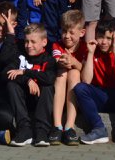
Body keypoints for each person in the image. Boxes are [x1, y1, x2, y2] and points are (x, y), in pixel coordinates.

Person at [74, 16, 115, 146]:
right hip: (99, 96)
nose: (104, 42)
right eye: (100, 37)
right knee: (80, 88)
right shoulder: (91, 50)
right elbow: (86, 80)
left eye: (108, 38)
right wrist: (90, 54)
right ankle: (99, 129)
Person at [0, 23, 57, 147]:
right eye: (26, 41)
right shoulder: (20, 56)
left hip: (40, 101)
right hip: (22, 100)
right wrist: (27, 80)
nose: (28, 45)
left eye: (33, 42)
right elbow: (5, 73)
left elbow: (49, 78)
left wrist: (25, 72)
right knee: (11, 84)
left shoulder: (49, 59)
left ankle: (41, 131)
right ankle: (24, 130)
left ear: (44, 42)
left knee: (47, 86)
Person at [50, 10, 88, 143]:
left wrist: (74, 62)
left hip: (77, 86)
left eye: (71, 32)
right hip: (60, 81)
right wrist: (63, 61)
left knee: (75, 72)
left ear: (82, 33)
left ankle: (69, 126)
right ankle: (57, 125)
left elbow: (85, 72)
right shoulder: (57, 45)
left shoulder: (85, 48)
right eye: (64, 31)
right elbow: (57, 60)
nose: (66, 36)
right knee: (62, 72)